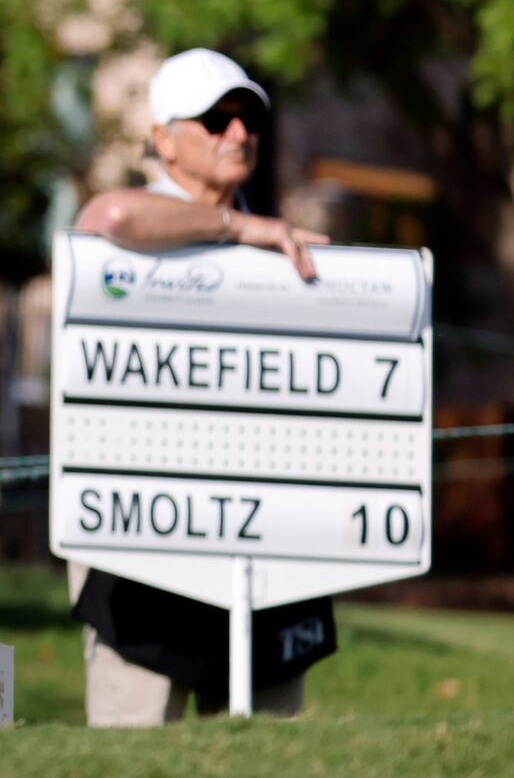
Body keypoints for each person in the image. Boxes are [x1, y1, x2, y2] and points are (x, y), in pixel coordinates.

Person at [68, 47, 336, 725]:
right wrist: (237, 227)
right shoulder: (146, 224)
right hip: (141, 557)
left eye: (247, 119)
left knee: (265, 756)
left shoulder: (285, 247)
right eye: (216, 120)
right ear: (163, 139)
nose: (239, 134)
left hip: (266, 543)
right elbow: (108, 220)